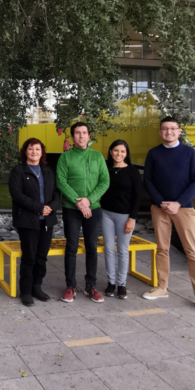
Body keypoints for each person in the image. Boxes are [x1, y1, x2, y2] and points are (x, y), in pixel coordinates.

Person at [142, 116, 195, 314]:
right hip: (160, 208)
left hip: (184, 208)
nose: (169, 132)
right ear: (160, 132)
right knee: (162, 249)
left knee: (193, 252)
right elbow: (148, 180)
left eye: (172, 129)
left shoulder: (190, 152)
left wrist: (178, 203)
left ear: (179, 131)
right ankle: (162, 287)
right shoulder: (153, 153)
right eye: (165, 129)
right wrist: (162, 203)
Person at [56, 122, 109, 303]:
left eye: (84, 133)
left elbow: (104, 181)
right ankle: (70, 285)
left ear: (88, 136)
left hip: (93, 209)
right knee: (71, 247)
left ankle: (90, 286)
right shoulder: (65, 157)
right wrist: (79, 203)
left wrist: (89, 200)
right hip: (72, 209)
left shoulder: (97, 156)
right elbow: (61, 182)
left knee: (92, 248)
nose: (81, 136)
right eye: (77, 133)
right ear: (72, 137)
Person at [9, 138, 60, 306]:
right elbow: (17, 195)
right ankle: (25, 291)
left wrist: (50, 208)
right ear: (25, 152)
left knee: (41, 257)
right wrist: (40, 207)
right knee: (29, 257)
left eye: (37, 149)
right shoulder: (18, 171)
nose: (34, 152)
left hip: (47, 220)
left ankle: (37, 287)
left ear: (42, 152)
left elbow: (56, 193)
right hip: (28, 221)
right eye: (31, 149)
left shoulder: (47, 171)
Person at [100, 140, 142, 299]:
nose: (119, 154)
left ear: (126, 153)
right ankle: (111, 283)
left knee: (123, 250)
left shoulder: (133, 171)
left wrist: (132, 218)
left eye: (122, 151)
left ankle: (122, 284)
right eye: (116, 151)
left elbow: (137, 197)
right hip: (106, 214)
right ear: (111, 152)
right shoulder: (106, 169)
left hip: (125, 216)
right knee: (109, 249)